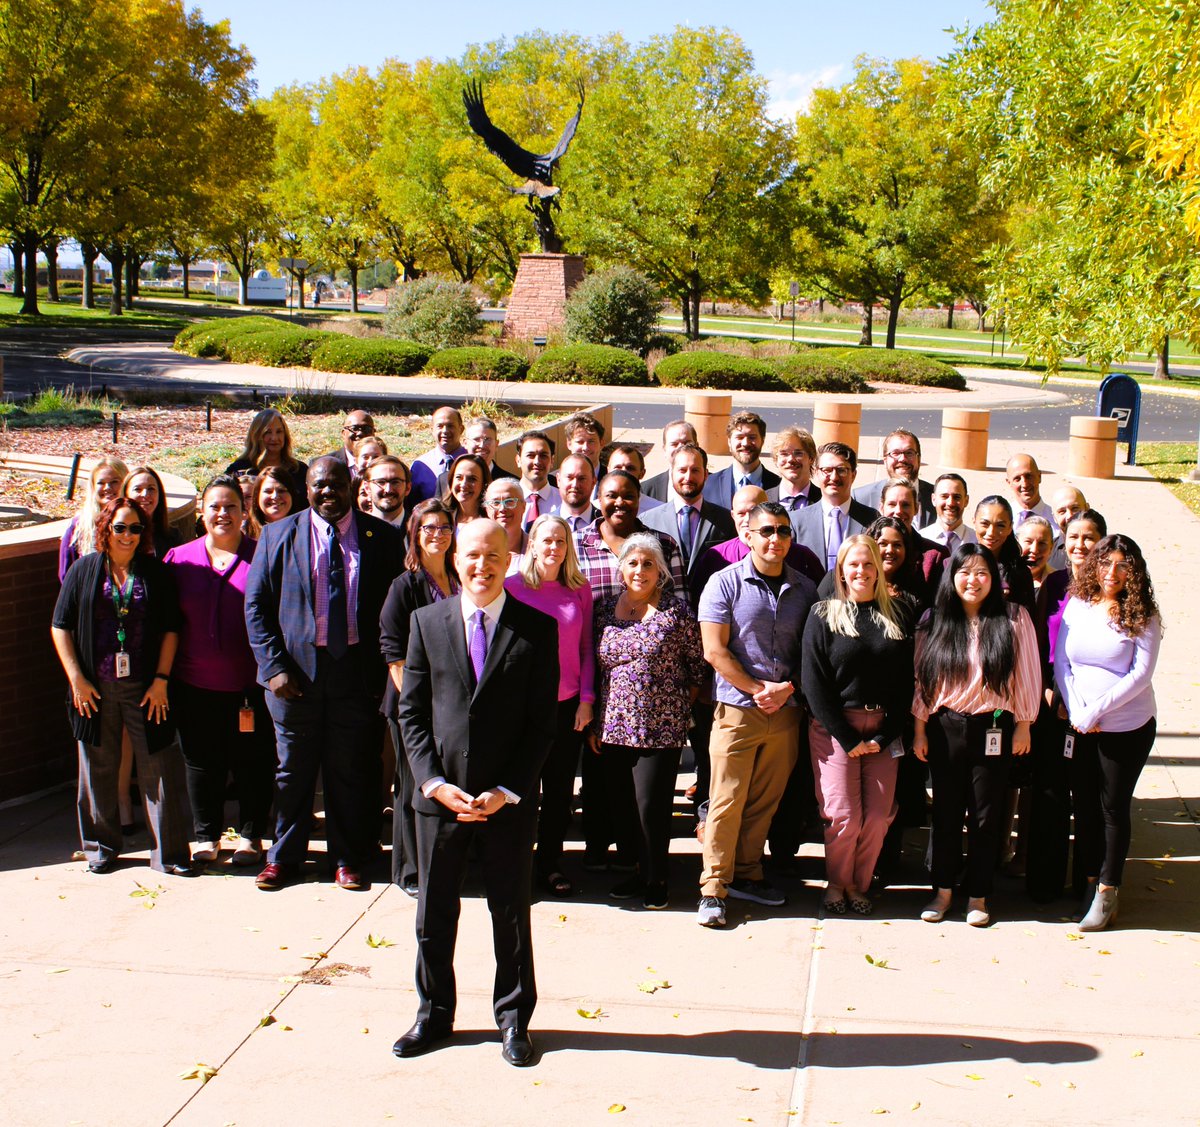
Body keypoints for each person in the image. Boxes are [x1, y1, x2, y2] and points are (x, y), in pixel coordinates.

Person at [393, 520, 558, 1067]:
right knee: (433, 914)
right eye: (471, 556)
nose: (481, 566)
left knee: (509, 913)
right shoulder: (425, 623)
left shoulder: (537, 629)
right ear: (454, 559)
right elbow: (411, 713)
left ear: (509, 559)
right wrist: (434, 785)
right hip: (439, 802)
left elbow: (540, 724)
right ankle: (433, 1015)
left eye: (492, 555)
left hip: (504, 804)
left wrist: (507, 790)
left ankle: (513, 1021)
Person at [245, 456, 405, 891]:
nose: (327, 493)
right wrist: (273, 666)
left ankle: (346, 857)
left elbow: (396, 611)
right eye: (319, 486)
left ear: (353, 486)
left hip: (355, 675)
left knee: (349, 771)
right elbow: (256, 606)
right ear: (307, 489)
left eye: (336, 484)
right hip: (293, 678)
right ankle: (284, 857)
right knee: (291, 771)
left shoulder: (383, 538)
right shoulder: (279, 535)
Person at [50, 497, 194, 876]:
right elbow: (60, 625)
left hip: (145, 687)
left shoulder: (155, 573)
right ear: (105, 529)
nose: (128, 535)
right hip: (93, 689)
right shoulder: (84, 570)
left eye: (135, 528)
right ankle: (100, 848)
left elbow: (170, 629)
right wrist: (76, 679)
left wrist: (162, 680)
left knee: (159, 766)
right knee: (96, 767)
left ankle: (171, 854)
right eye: (120, 527)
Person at [696, 501, 818, 927]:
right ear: (747, 535)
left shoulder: (805, 589)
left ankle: (747, 873)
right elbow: (714, 649)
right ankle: (713, 887)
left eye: (783, 531)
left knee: (764, 802)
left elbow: (811, 653)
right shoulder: (723, 583)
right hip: (736, 711)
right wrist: (756, 688)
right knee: (726, 802)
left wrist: (787, 691)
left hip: (785, 712)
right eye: (767, 530)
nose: (776, 539)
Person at [911, 544, 1041, 927]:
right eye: (964, 572)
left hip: (995, 727)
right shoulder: (934, 621)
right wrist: (919, 728)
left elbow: (1028, 673)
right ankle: (943, 891)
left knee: (986, 816)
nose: (973, 580)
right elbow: (923, 681)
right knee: (947, 813)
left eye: (982, 572)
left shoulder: (1014, 618)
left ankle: (979, 896)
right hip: (944, 726)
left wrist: (1024, 724)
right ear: (952, 578)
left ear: (995, 578)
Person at [590, 534, 706, 910]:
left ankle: (658, 878)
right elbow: (598, 669)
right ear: (621, 568)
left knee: (651, 808)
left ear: (661, 572)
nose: (640, 571)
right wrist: (594, 723)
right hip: (612, 726)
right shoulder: (605, 610)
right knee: (623, 806)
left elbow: (696, 667)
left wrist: (675, 709)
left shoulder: (677, 613)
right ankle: (639, 872)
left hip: (660, 727)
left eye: (649, 564)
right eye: (633, 563)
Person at [163, 476, 274, 867]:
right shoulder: (178, 559)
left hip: (250, 686)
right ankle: (206, 835)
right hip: (193, 684)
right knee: (201, 762)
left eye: (231, 506)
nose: (222, 514)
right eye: (214, 506)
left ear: (245, 513)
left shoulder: (262, 556)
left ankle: (250, 835)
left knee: (253, 762)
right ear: (201, 512)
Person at [802, 535, 914, 915]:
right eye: (854, 564)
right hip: (836, 730)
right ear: (842, 571)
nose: (862, 571)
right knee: (844, 815)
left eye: (869, 564)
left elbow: (905, 684)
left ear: (879, 569)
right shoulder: (823, 614)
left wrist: (884, 736)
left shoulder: (896, 615)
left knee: (879, 816)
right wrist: (848, 738)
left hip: (884, 730)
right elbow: (813, 684)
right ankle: (837, 883)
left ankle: (858, 885)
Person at [1055, 534, 1161, 932]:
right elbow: (1063, 663)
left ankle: (1107, 890)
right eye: (1105, 563)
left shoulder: (1143, 614)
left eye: (1122, 565)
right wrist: (1077, 709)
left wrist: (1096, 710)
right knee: (1083, 806)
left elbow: (1140, 675)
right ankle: (1085, 881)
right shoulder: (1078, 606)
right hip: (1082, 723)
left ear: (1133, 570)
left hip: (1126, 727)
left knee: (1112, 808)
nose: (1111, 573)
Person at [505, 515, 596, 898]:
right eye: (546, 540)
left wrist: (587, 700)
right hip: (522, 707)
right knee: (519, 789)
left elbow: (587, 648)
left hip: (566, 705)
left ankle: (550, 864)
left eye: (560, 540)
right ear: (533, 545)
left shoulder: (579, 590)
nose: (553, 547)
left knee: (559, 793)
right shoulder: (511, 587)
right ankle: (514, 864)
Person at [379, 499, 460, 899]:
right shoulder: (404, 586)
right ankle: (409, 870)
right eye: (429, 528)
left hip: (452, 707)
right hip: (412, 708)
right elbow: (394, 656)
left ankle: (440, 863)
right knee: (413, 787)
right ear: (415, 533)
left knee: (441, 785)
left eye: (445, 527)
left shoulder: (460, 578)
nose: (438, 534)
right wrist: (420, 704)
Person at [1027, 508, 1107, 903]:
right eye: (1073, 538)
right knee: (1050, 794)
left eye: (1089, 538)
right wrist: (1045, 687)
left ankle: (1088, 883)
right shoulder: (1056, 583)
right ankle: (1044, 881)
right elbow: (1040, 644)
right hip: (1053, 702)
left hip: (1093, 707)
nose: (1079, 545)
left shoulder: (1111, 587)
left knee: (1089, 797)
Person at [639, 443, 736, 602]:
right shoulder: (648, 521)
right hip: (663, 610)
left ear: (706, 475)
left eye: (695, 470)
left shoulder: (726, 520)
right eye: (682, 470)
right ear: (672, 474)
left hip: (714, 607)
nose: (688, 477)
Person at [791, 442, 880, 575]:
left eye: (841, 470)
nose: (834, 477)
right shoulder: (796, 521)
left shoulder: (872, 518)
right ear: (816, 473)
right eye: (827, 470)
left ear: (853, 475)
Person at [59, 456, 129, 583]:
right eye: (101, 483)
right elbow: (66, 575)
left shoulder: (136, 523)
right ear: (93, 487)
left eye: (114, 481)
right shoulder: (78, 526)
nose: (107, 487)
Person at [225, 408, 309, 509]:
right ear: (256, 436)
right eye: (267, 432)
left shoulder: (299, 470)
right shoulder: (239, 470)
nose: (274, 438)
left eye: (279, 432)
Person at [852, 428, 936, 527]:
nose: (902, 459)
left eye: (909, 453)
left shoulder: (939, 497)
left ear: (919, 459)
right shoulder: (861, 498)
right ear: (885, 461)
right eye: (895, 453)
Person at [702, 411, 780, 508]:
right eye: (739, 437)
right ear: (729, 442)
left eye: (752, 437)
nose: (745, 443)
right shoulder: (709, 484)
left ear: (762, 441)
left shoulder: (778, 485)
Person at [973, 495, 1035, 611]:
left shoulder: (1019, 573)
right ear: (974, 522)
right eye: (985, 524)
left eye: (1000, 525)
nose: (991, 532)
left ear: (1010, 527)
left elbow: (1028, 621)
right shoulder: (960, 564)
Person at [435, 416, 516, 494]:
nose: (482, 445)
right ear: (465, 443)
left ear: (496, 444)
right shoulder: (445, 481)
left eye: (487, 439)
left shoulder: (512, 483)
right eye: (476, 439)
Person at [409, 405, 467, 505]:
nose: (445, 431)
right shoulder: (420, 466)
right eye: (440, 426)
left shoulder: (472, 461)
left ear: (461, 429)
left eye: (450, 426)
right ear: (432, 430)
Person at [122, 466, 181, 558]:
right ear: (126, 494)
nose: (145, 494)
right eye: (137, 489)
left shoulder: (172, 536)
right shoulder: (117, 534)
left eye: (151, 489)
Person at [917, 472, 977, 551]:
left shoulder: (976, 541)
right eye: (944, 496)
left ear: (966, 501)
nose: (950, 503)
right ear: (933, 499)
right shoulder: (920, 539)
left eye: (957, 497)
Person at [642, 420, 699, 502]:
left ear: (697, 446)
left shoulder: (716, 486)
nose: (680, 448)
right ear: (664, 449)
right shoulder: (646, 490)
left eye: (687, 443)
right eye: (674, 444)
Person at [767, 426, 821, 511]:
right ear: (776, 459)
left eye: (798, 453)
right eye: (784, 454)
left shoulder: (823, 500)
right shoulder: (763, 500)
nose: (791, 459)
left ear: (811, 458)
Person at [516, 430, 561, 529]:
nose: (537, 461)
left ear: (552, 461)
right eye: (530, 456)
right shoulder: (506, 502)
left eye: (543, 456)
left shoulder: (563, 502)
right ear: (518, 460)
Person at [483, 477, 527, 571]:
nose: (502, 508)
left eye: (509, 501)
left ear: (523, 506)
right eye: (495, 503)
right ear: (486, 509)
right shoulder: (478, 551)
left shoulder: (537, 550)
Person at [605, 445, 663, 511]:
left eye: (630, 468)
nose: (623, 472)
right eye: (618, 467)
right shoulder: (596, 509)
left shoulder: (658, 510)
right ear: (608, 471)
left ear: (642, 473)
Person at [363, 455, 411, 532]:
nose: (388, 490)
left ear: (408, 488)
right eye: (381, 482)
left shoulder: (418, 530)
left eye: (395, 482)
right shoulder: (356, 530)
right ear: (367, 488)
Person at [441, 453, 490, 527]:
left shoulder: (492, 520)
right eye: (458, 477)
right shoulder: (441, 517)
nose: (463, 485)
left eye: (472, 479)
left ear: (484, 484)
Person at [555, 453, 598, 534]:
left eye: (582, 478)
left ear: (593, 482)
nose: (575, 485)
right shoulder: (544, 524)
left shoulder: (606, 523)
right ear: (558, 480)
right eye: (569, 478)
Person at [1005, 453, 1053, 527]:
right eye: (1017, 479)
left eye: (1029, 476)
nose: (1025, 484)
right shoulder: (1002, 519)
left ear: (1039, 477)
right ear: (1009, 483)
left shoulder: (1055, 520)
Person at [249, 466, 295, 537]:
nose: (275, 496)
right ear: (257, 496)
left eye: (281, 491)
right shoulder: (243, 532)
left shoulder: (306, 532)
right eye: (268, 491)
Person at [1016, 515, 1058, 590]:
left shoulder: (1060, 583)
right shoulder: (1002, 579)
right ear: (1016, 543)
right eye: (1028, 541)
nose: (1034, 550)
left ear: (1051, 547)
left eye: (1042, 543)